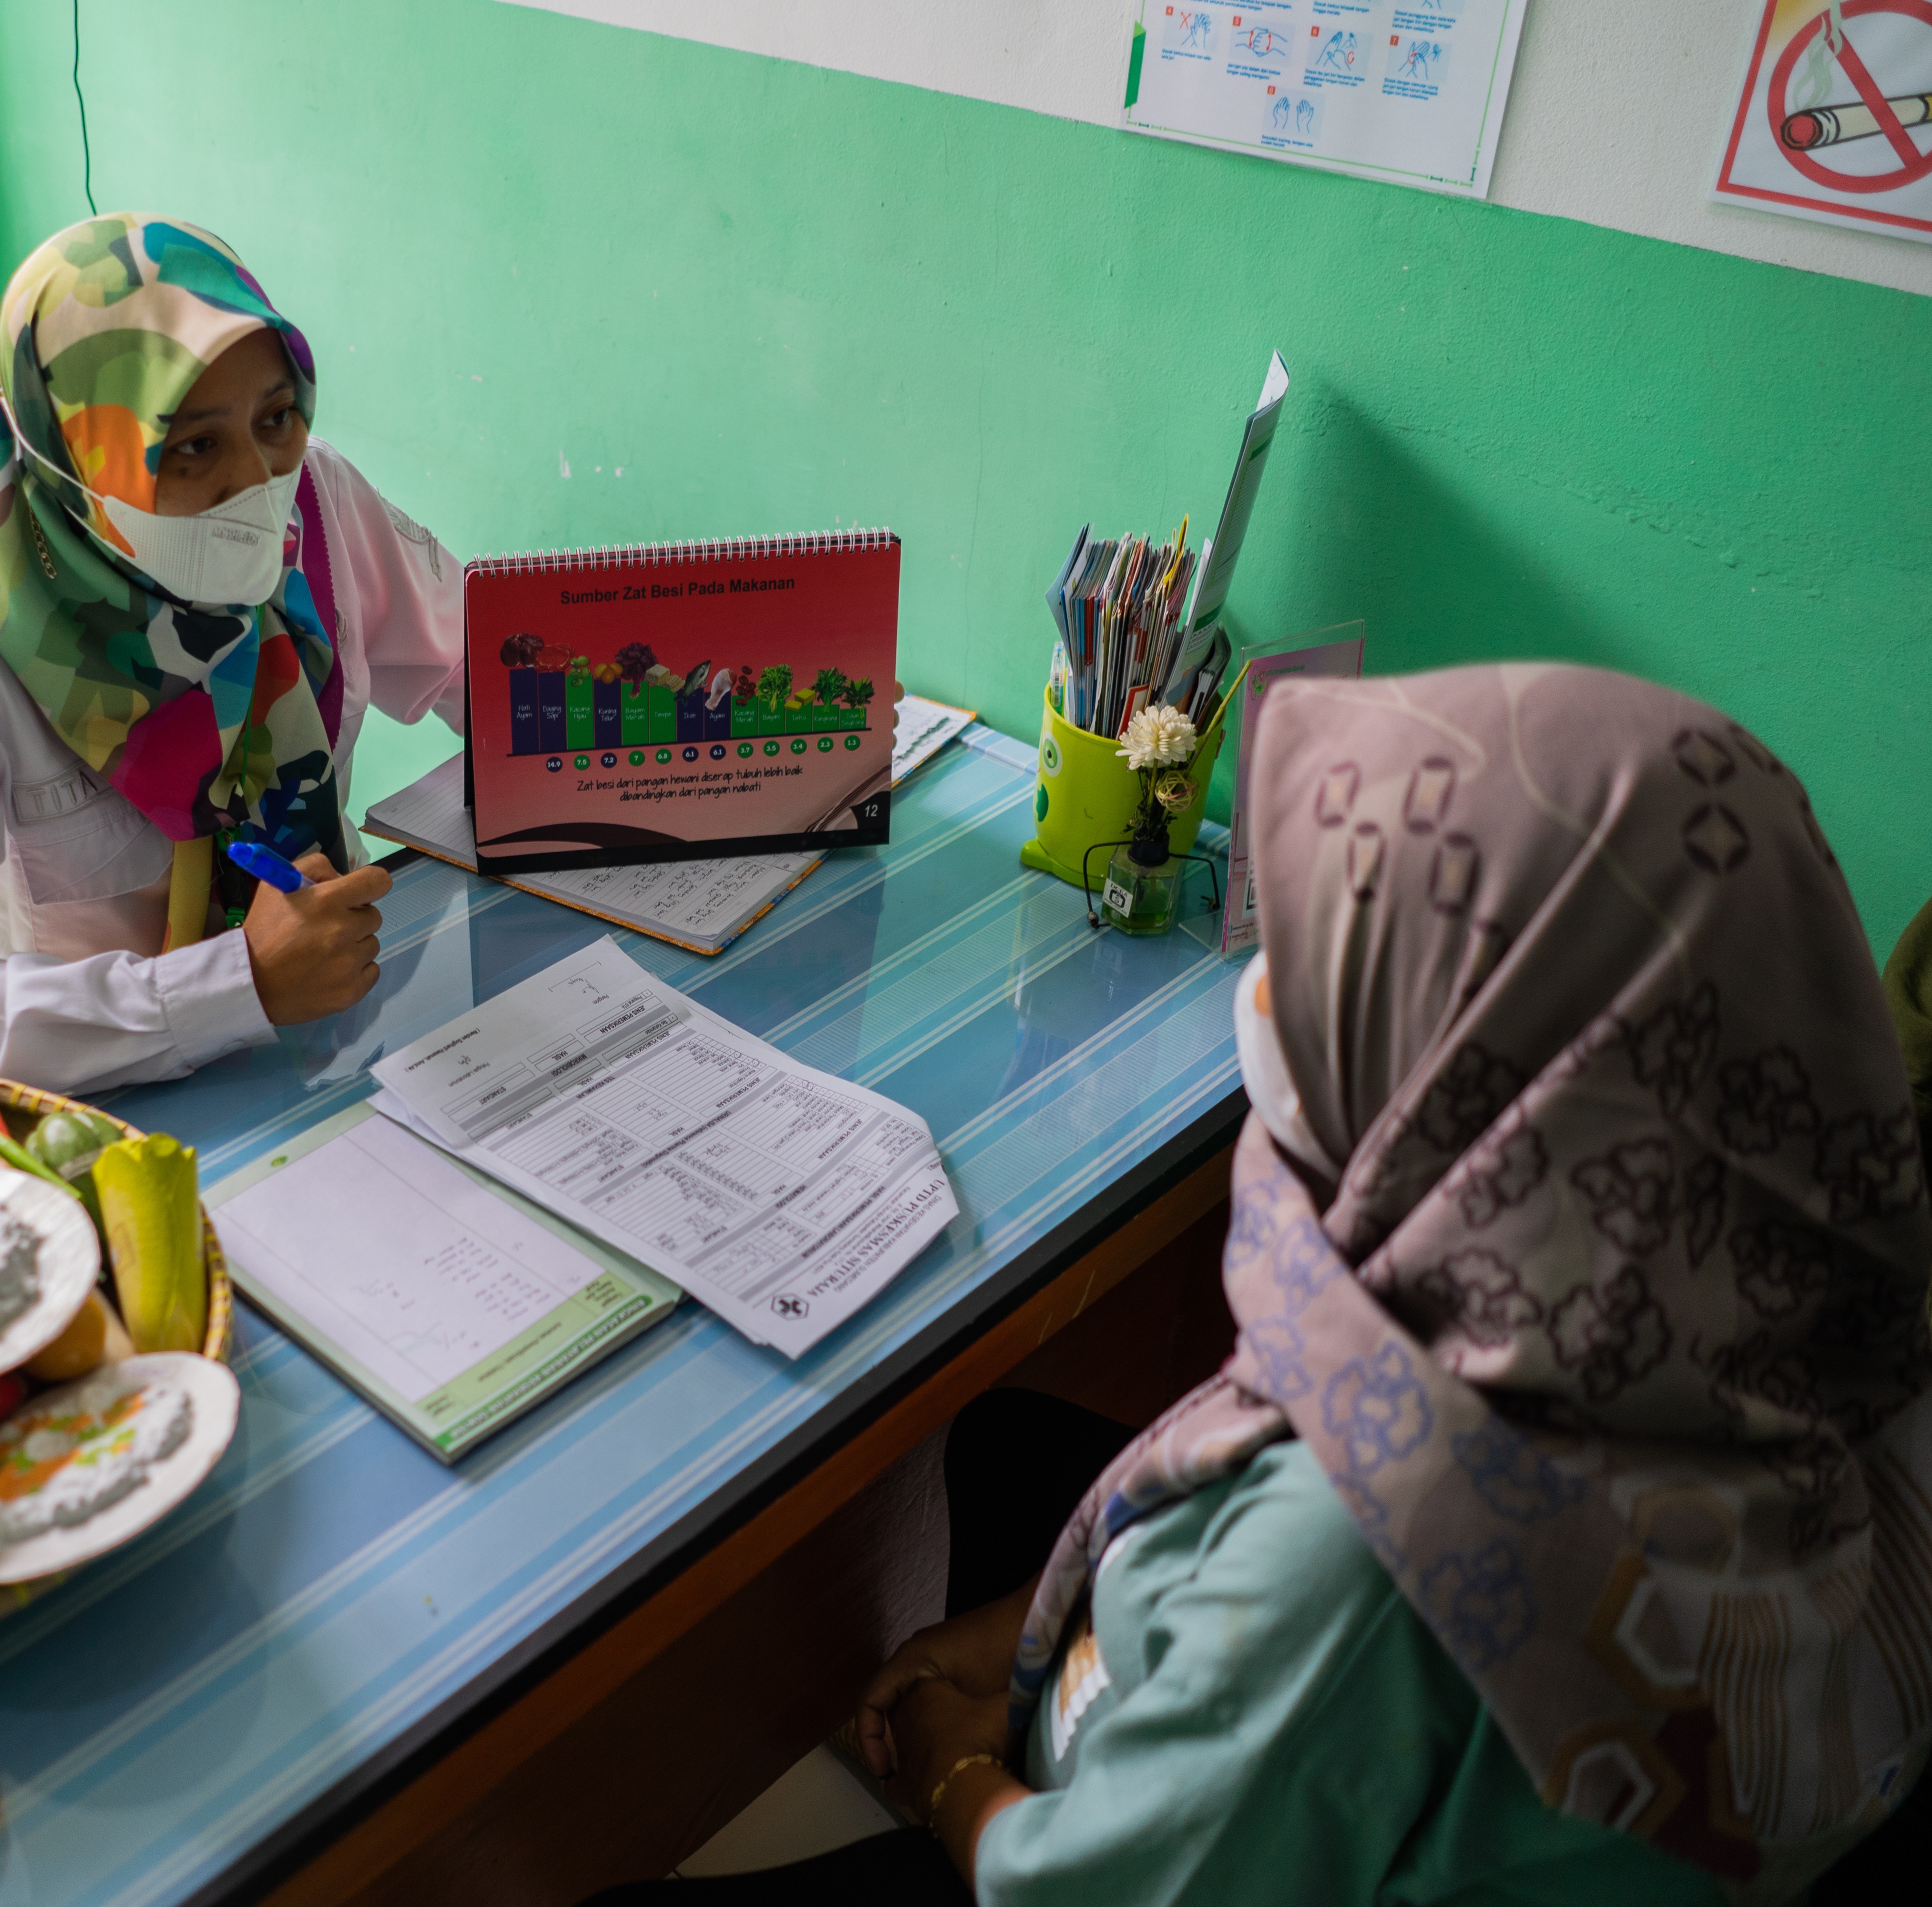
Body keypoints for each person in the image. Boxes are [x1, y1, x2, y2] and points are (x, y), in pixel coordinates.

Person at [598, 664, 1932, 1904]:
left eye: (1333, 957)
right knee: (1006, 1440)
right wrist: (1028, 1633)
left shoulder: (1368, 1560)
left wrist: (956, 1769)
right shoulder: (1816, 1295)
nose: (1270, 988)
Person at [0, 214, 465, 1094]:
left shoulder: (319, 502)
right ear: (74, 447)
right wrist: (234, 987)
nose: (256, 484)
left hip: (340, 1017)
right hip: (96, 1089)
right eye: (192, 446)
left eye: (278, 418)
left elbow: (484, 665)